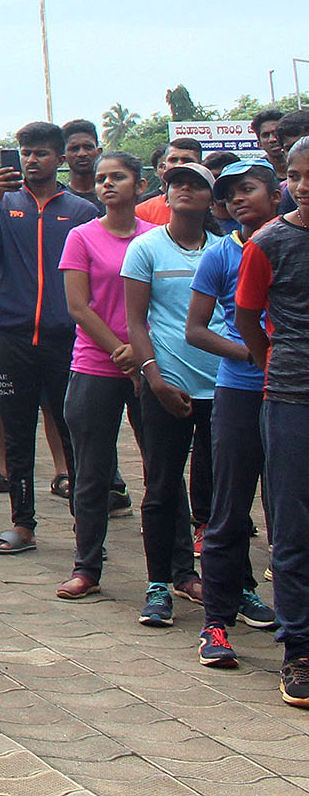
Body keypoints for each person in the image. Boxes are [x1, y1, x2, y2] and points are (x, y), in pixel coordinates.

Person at [0, 120, 100, 555]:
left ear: (59, 158)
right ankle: (22, 523)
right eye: (25, 152)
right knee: (18, 429)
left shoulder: (81, 211)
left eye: (41, 153)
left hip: (67, 338)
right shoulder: (4, 203)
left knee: (73, 428)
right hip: (13, 335)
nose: (31, 160)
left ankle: (86, 526)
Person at [191, 157, 287, 662]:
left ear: (276, 194)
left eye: (248, 189)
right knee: (229, 508)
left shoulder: (292, 244)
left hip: (291, 391)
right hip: (240, 390)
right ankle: (216, 623)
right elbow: (196, 329)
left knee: (289, 511)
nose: (237, 199)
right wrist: (255, 354)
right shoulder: (220, 254)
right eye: (229, 194)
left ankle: (293, 623)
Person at [123, 158, 220, 626]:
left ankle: (232, 583)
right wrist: (155, 378)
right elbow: (135, 321)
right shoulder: (145, 248)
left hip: (221, 389)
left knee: (218, 492)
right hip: (166, 386)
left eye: (195, 185)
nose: (184, 190)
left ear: (211, 199)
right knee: (161, 487)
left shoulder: (224, 250)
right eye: (175, 183)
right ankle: (159, 584)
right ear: (164, 193)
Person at [56, 150, 150, 603]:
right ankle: (86, 567)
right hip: (95, 364)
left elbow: (165, 303)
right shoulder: (82, 237)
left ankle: (177, 569)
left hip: (151, 366)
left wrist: (142, 355)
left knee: (162, 468)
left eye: (118, 177)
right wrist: (120, 351)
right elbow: (78, 307)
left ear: (141, 185)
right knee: (91, 473)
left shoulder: (155, 238)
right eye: (101, 178)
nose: (107, 184)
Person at [235, 137, 309, 708]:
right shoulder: (269, 242)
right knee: (292, 526)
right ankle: (299, 649)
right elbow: (247, 317)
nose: (303, 186)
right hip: (290, 398)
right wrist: (274, 366)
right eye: (296, 175)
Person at [137, 138, 207, 227]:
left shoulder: (212, 207)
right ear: (164, 166)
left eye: (187, 160)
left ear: (201, 166)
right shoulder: (143, 211)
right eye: (173, 160)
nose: (179, 164)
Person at [63, 120, 103, 204]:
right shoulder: (57, 201)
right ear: (63, 156)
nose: (82, 154)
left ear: (99, 152)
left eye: (88, 147)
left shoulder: (115, 197)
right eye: (74, 148)